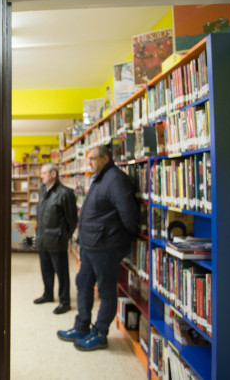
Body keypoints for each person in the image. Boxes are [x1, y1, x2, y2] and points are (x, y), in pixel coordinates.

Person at [57, 145, 139, 351]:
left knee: (106, 291)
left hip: (106, 247)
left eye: (93, 158)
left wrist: (123, 239)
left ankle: (100, 333)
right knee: (83, 283)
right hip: (90, 245)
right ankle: (82, 326)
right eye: (88, 159)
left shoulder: (116, 179)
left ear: (105, 158)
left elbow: (129, 216)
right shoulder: (100, 178)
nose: (89, 163)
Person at [33, 163, 78, 315]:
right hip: (43, 239)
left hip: (57, 240)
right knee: (46, 270)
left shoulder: (65, 193)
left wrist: (63, 236)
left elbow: (72, 220)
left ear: (53, 174)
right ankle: (48, 294)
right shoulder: (42, 191)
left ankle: (64, 301)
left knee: (62, 272)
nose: (41, 176)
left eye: (44, 173)